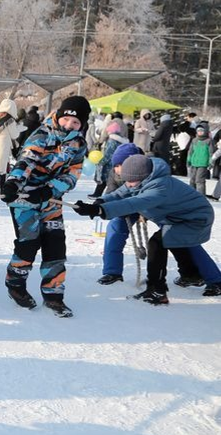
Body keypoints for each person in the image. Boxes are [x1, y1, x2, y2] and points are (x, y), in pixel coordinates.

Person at [74, 154, 221, 303]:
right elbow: (121, 192)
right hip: (177, 217)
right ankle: (191, 275)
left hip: (195, 219)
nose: (129, 184)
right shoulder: (141, 177)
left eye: (131, 181)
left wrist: (100, 210)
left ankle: (157, 290)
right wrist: (102, 201)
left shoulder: (160, 186)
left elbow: (133, 203)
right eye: (127, 181)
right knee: (173, 241)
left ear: (143, 177)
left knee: (157, 243)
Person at [0, 95, 91, 318]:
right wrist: (13, 182)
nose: (69, 125)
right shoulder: (41, 135)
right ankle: (16, 283)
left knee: (55, 245)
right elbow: (26, 161)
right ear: (59, 116)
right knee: (28, 243)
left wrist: (51, 189)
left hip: (50, 198)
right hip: (25, 197)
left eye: (76, 122)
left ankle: (53, 295)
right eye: (66, 119)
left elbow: (73, 172)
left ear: (82, 124)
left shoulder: (78, 144)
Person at [94, 143, 145, 285]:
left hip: (152, 206)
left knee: (170, 236)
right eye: (115, 165)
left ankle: (191, 271)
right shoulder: (114, 173)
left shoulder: (147, 170)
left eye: (120, 165)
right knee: (114, 228)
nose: (117, 169)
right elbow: (111, 193)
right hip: (126, 208)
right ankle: (112, 272)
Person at [0, 98, 25, 191]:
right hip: (2, 145)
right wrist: (20, 128)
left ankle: (2, 188)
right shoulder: (10, 120)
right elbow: (14, 134)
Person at [187, 124, 214, 195]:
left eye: (202, 131)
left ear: (205, 131)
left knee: (199, 180)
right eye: (198, 130)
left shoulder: (208, 141)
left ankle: (200, 196)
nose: (200, 132)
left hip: (203, 163)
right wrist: (188, 160)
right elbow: (190, 151)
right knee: (192, 180)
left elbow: (211, 153)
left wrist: (211, 162)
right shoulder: (194, 140)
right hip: (194, 162)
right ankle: (191, 195)